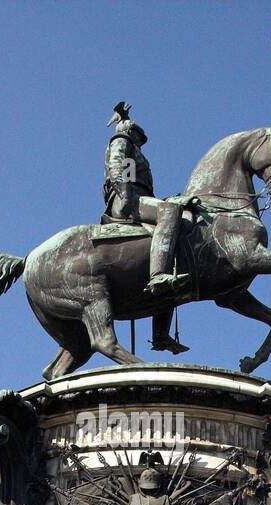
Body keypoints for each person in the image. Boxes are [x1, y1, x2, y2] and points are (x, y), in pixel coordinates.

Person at [103, 102, 195, 351]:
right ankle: (157, 276)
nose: (141, 141)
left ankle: (160, 335)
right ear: (133, 133)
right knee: (171, 210)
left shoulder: (134, 148)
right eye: (139, 136)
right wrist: (124, 194)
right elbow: (117, 168)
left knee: (175, 249)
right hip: (127, 201)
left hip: (138, 198)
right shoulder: (122, 142)